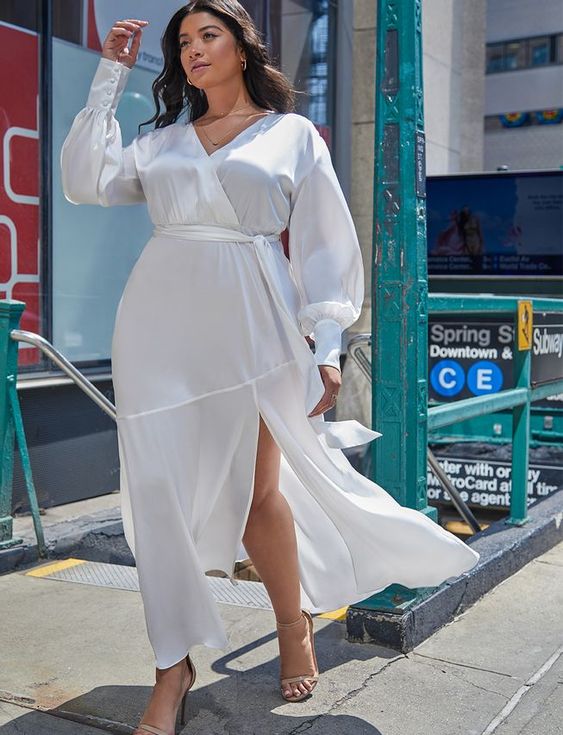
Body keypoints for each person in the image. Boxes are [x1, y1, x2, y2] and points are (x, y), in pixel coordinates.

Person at [60, 3, 480, 733]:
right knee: (156, 495)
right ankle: (172, 665)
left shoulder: (292, 136)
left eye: (207, 35)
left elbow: (322, 241)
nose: (192, 50)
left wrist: (324, 343)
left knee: (259, 498)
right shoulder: (160, 141)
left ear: (242, 45)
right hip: (157, 329)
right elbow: (83, 180)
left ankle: (293, 620)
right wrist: (109, 73)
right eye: (183, 41)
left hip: (256, 325)